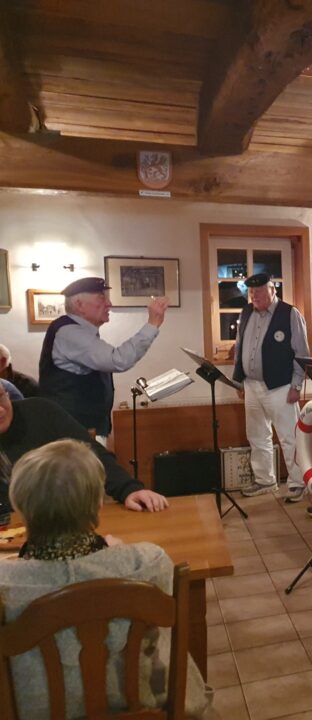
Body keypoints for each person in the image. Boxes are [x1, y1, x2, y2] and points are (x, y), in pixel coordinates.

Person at [0, 439, 212, 719]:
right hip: (141, 706)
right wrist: (119, 552)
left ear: (20, 504)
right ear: (98, 501)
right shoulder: (148, 562)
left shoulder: (6, 584)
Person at [38, 277, 168, 438]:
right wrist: (152, 324)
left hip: (82, 429)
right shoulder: (70, 333)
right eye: (102, 298)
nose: (109, 304)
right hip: (70, 434)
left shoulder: (79, 331)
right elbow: (118, 360)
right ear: (79, 304)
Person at [0, 392, 168, 512]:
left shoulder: (40, 411)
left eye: (1, 396)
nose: (1, 409)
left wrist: (129, 490)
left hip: (62, 523)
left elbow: (91, 453)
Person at [232, 273, 309, 502]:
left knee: (289, 437)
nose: (254, 296)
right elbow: (239, 346)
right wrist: (238, 380)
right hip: (251, 385)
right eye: (251, 292)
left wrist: (297, 385)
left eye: (259, 291)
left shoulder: (289, 313)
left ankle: (298, 482)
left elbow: (302, 353)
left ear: (273, 290)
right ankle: (265, 480)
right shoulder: (246, 312)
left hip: (281, 386)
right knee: (257, 435)